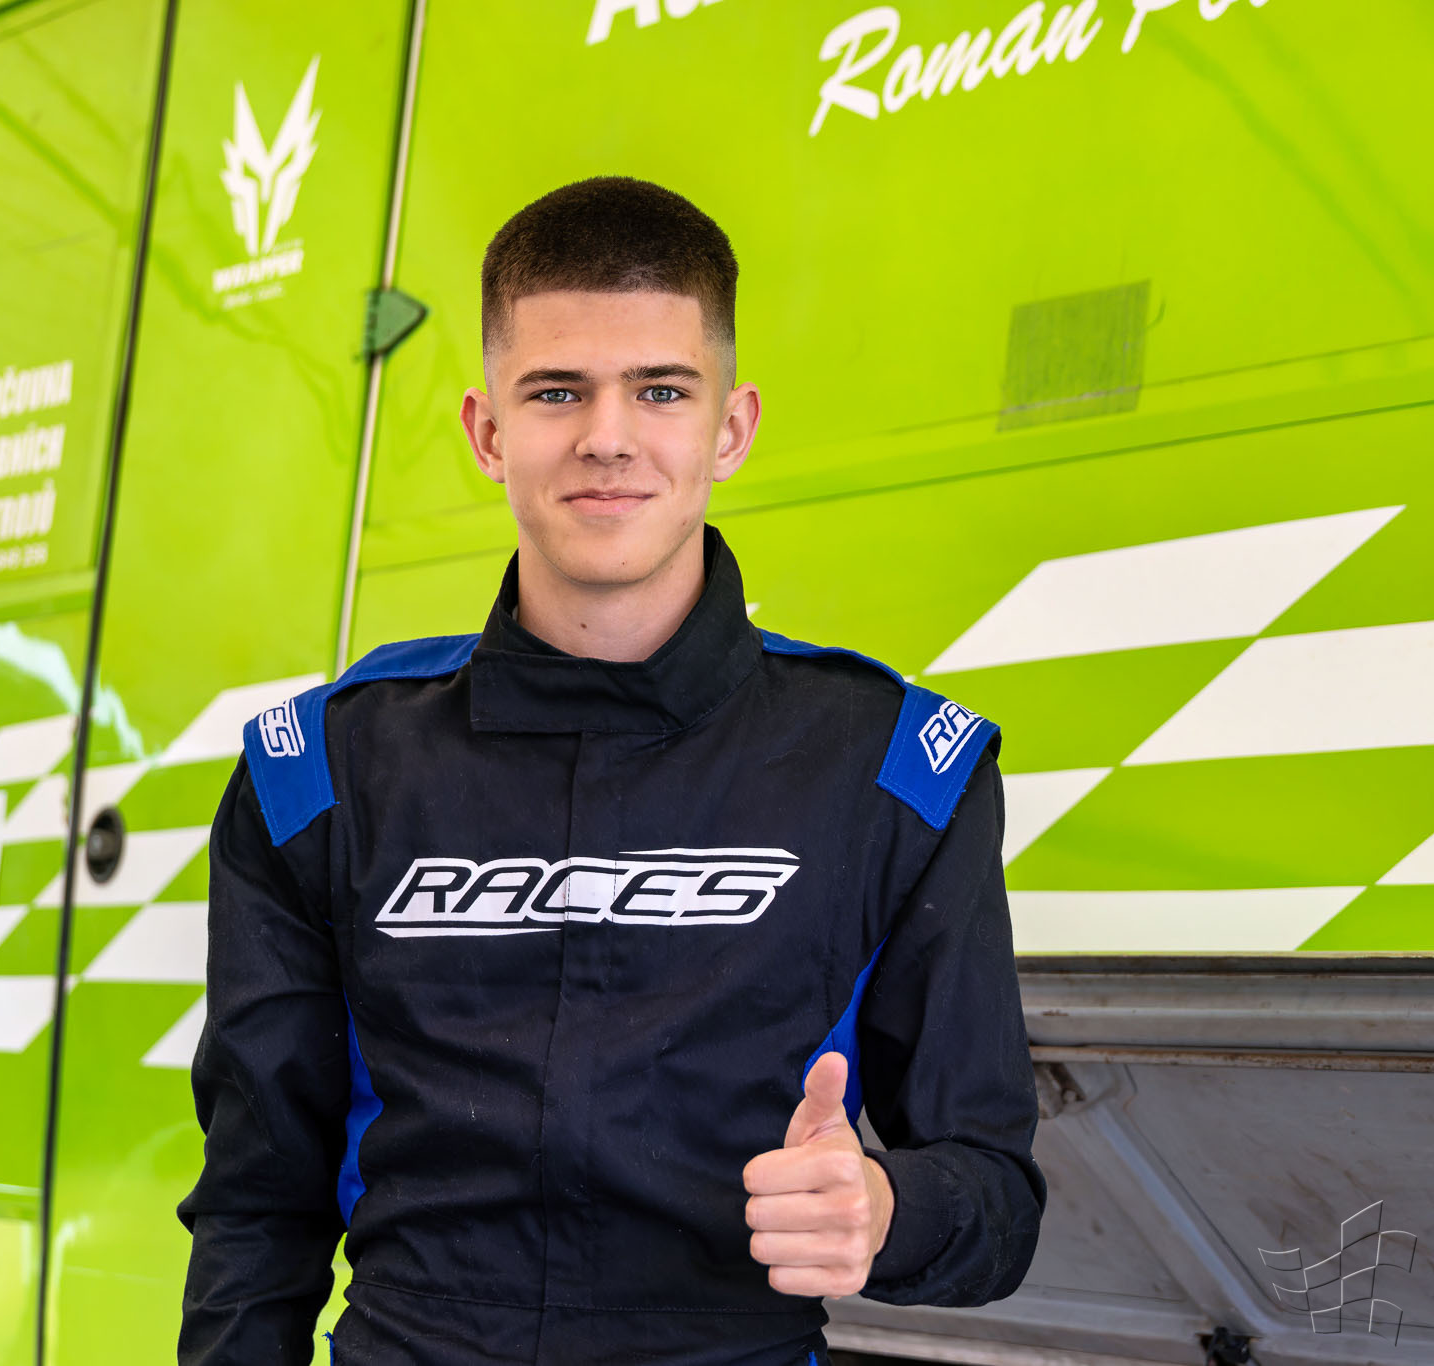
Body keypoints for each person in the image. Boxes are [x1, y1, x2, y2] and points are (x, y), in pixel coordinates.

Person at [178, 176, 1044, 1366]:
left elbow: (996, 1194)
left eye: (660, 390)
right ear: (487, 430)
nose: (606, 436)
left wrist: (889, 1210)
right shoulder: (320, 772)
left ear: (729, 427)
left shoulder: (890, 769)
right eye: (555, 391)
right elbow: (255, 1204)